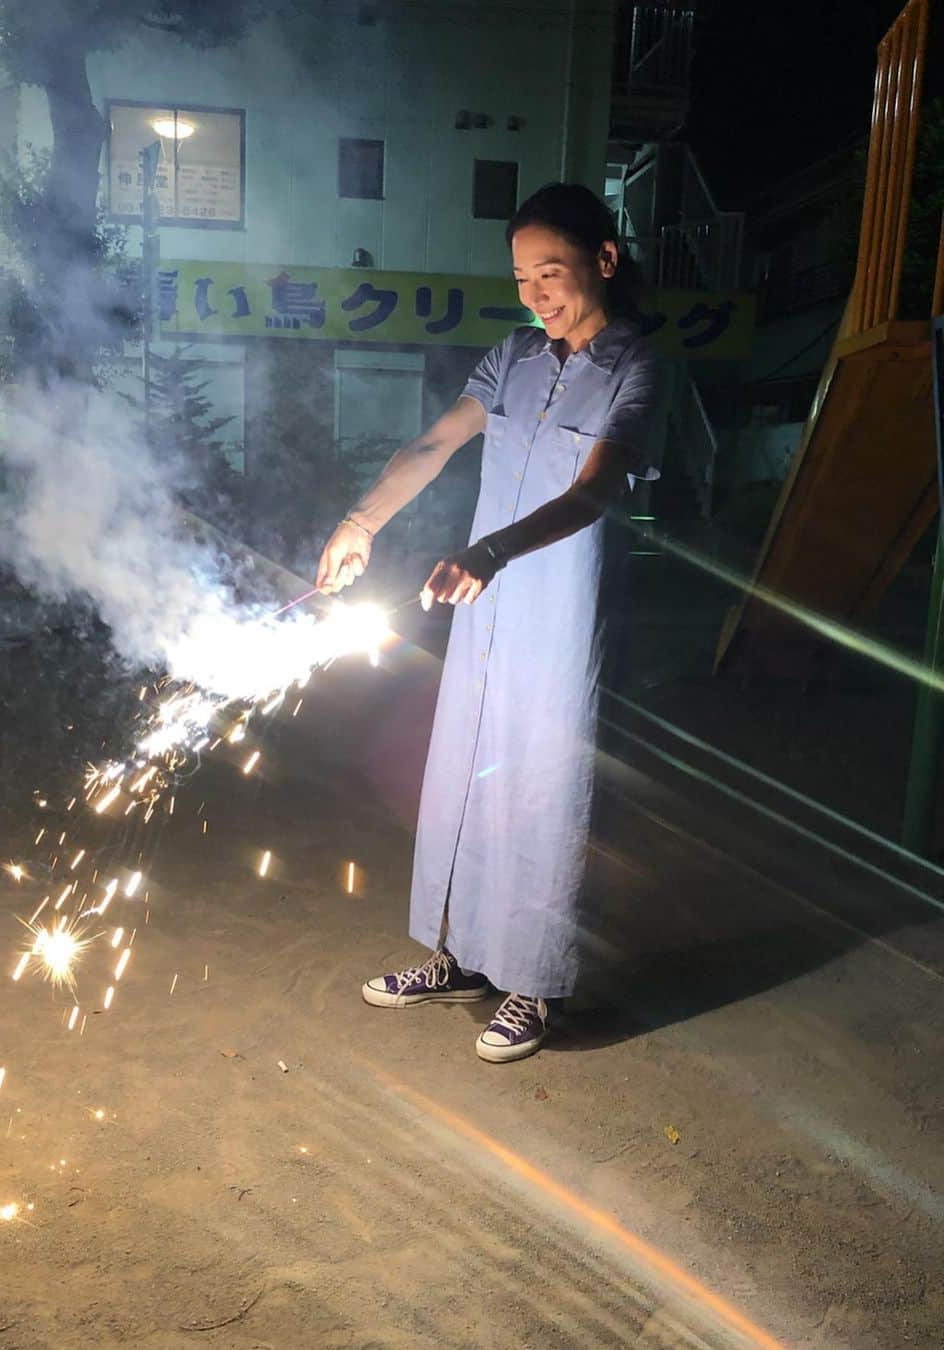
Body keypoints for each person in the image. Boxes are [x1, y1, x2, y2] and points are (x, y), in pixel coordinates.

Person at [316, 183, 671, 1063]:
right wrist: (361, 522)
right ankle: (456, 957)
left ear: (604, 261)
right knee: (463, 778)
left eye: (550, 272)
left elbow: (591, 491)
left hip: (560, 614)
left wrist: (493, 552)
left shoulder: (639, 365)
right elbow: (433, 446)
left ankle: (534, 984)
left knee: (543, 791)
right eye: (520, 277)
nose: (535, 294)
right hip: (483, 608)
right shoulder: (512, 356)